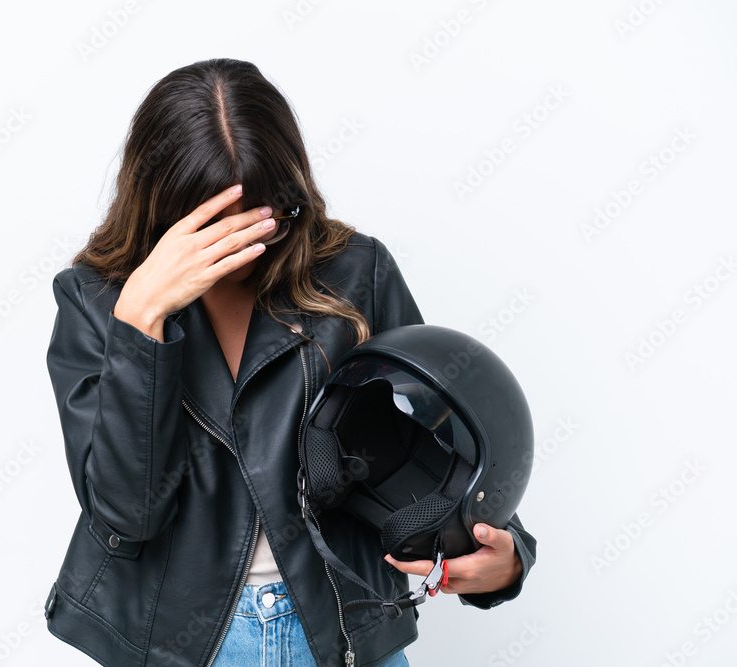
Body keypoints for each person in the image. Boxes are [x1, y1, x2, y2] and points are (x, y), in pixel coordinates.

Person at [42, 58, 536, 667]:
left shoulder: (357, 271)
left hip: (343, 634)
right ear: (161, 207)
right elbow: (126, 515)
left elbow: (443, 435)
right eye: (210, 230)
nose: (240, 249)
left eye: (261, 223)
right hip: (177, 647)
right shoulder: (96, 301)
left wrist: (506, 553)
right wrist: (141, 324)